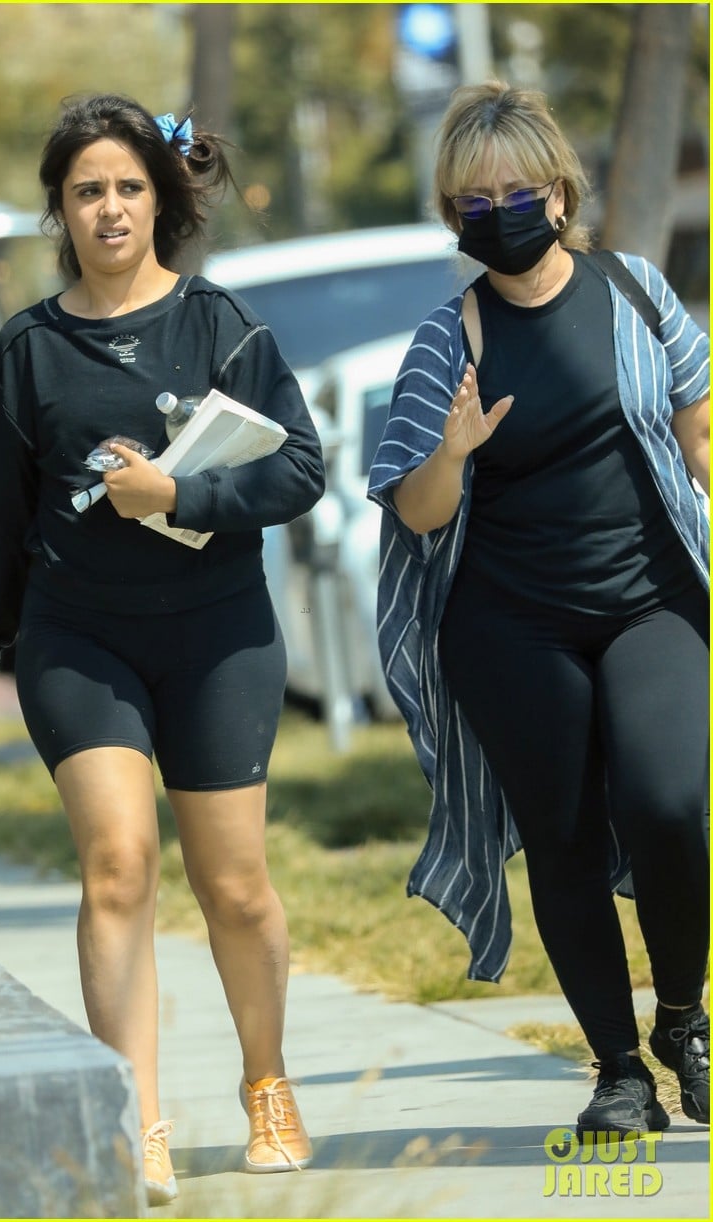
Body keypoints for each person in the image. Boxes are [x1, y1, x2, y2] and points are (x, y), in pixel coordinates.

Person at [0, 93, 324, 1204]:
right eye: (86, 192)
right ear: (59, 212)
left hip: (218, 638)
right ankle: (138, 1116)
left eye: (126, 186)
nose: (108, 208)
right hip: (80, 642)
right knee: (117, 865)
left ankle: (268, 1082)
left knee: (237, 884)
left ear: (158, 197)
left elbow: (298, 468)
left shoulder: (220, 324)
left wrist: (182, 490)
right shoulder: (28, 349)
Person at [368, 81, 709, 1140]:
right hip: (512, 626)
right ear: (452, 215)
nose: (500, 211)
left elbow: (699, 435)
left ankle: (684, 1021)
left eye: (518, 191)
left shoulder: (637, 292)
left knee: (671, 803)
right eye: (476, 199)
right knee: (559, 838)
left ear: (562, 192)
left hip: (651, 600)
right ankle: (617, 1072)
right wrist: (454, 453)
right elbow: (418, 513)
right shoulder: (446, 338)